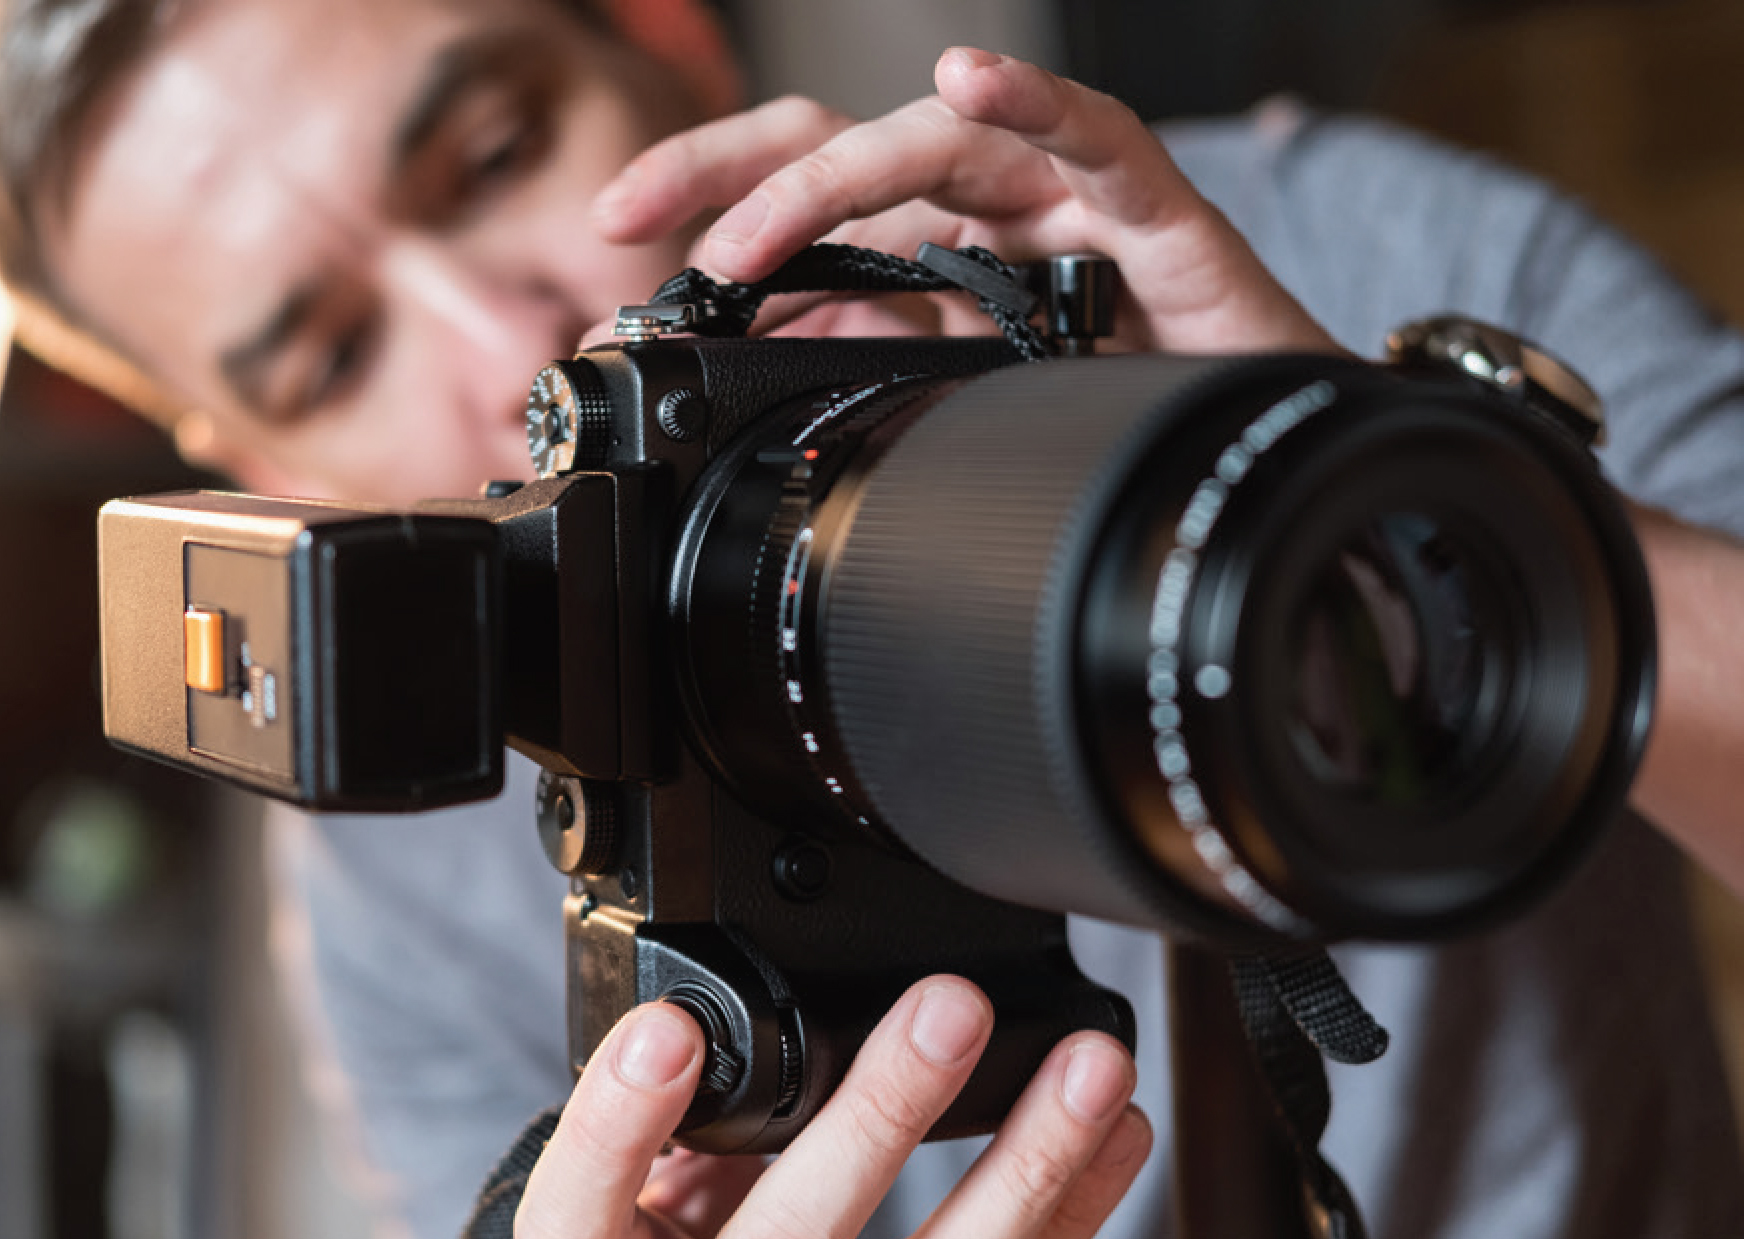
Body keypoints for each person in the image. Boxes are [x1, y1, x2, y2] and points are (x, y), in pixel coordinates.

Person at [3, 0, 1743, 1236]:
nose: (508, 338)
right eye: (328, 354)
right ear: (248, 463)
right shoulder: (401, 841)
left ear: (667, 38)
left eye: (497, 149)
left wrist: (1369, 489)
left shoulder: (1328, 247)